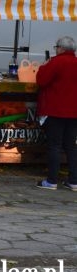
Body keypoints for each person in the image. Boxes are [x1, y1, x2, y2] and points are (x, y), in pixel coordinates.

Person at [35, 36, 77, 191]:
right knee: (71, 147)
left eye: (56, 47)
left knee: (54, 146)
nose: (56, 49)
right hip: (74, 113)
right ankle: (74, 181)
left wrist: (43, 67)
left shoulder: (55, 62)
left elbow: (41, 80)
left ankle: (52, 181)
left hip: (55, 110)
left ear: (61, 48)